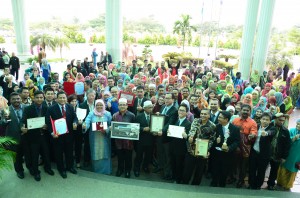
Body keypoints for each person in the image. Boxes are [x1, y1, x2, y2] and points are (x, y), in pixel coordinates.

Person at [21, 91, 55, 181]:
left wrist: (47, 126)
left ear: (43, 98)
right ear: (34, 98)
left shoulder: (46, 108)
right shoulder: (28, 109)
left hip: (44, 136)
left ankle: (48, 168)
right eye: (37, 97)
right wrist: (22, 127)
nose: (39, 99)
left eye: (41, 97)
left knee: (46, 153)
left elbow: (49, 121)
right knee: (34, 156)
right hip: (33, 137)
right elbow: (23, 120)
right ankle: (36, 172)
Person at [46, 91, 78, 179]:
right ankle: (61, 169)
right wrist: (52, 133)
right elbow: (48, 122)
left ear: (66, 98)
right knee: (59, 153)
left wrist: (75, 122)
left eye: (64, 97)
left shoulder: (70, 107)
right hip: (57, 135)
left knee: (69, 152)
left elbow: (75, 117)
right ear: (56, 99)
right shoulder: (51, 109)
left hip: (69, 135)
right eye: (60, 97)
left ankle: (70, 167)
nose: (62, 99)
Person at [182, 108, 216, 185]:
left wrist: (207, 150)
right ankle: (184, 185)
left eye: (205, 114)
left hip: (202, 152)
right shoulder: (196, 121)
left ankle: (195, 186)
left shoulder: (212, 126)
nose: (203, 115)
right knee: (187, 170)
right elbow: (192, 130)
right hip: (191, 149)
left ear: (209, 115)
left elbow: (212, 140)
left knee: (199, 171)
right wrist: (190, 137)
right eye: (202, 114)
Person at [0, 92, 29, 179]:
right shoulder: (5, 110)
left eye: (18, 98)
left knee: (29, 154)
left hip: (27, 135)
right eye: (14, 99)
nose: (16, 100)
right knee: (17, 156)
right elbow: (2, 124)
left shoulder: (26, 107)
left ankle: (30, 167)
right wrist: (5, 120)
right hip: (14, 137)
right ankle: (19, 170)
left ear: (20, 99)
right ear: (10, 100)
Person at [210, 111, 240, 187]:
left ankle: (222, 186)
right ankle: (213, 184)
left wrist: (229, 148)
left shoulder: (235, 129)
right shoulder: (216, 127)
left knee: (224, 172)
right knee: (214, 171)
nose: (218, 118)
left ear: (226, 119)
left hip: (227, 155)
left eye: (220, 117)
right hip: (216, 154)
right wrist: (216, 141)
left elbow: (237, 141)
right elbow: (211, 140)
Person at [83, 99, 112, 174]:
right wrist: (84, 126)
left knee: (105, 152)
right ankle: (97, 171)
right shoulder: (91, 113)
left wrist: (107, 130)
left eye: (101, 105)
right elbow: (87, 122)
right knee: (95, 152)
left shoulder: (108, 114)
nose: (99, 106)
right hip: (94, 137)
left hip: (104, 137)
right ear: (95, 106)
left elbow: (111, 125)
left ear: (104, 106)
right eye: (97, 105)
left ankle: (106, 171)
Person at [153, 93, 178, 180]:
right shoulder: (163, 107)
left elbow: (170, 123)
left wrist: (162, 131)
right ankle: (160, 166)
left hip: (167, 137)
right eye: (165, 98)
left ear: (173, 100)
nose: (166, 100)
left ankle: (167, 173)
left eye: (168, 98)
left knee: (167, 156)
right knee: (159, 152)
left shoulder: (174, 110)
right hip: (159, 135)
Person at [232, 104, 258, 188]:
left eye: (247, 110)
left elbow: (254, 131)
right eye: (244, 110)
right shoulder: (235, 120)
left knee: (243, 165)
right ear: (240, 110)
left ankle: (241, 180)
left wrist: (252, 135)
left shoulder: (252, 122)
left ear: (250, 112)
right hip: (235, 144)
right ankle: (232, 177)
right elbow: (231, 130)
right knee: (234, 163)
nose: (245, 112)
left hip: (246, 146)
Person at [248, 112, 276, 190]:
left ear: (270, 121)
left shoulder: (272, 128)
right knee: (252, 169)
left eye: (267, 120)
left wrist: (266, 133)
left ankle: (258, 185)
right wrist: (250, 136)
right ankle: (251, 184)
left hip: (264, 154)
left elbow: (272, 133)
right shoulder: (256, 126)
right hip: (254, 151)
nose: (265, 121)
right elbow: (251, 133)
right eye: (263, 119)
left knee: (261, 170)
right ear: (260, 119)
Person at [267, 113, 291, 190]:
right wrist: (275, 115)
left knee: (274, 170)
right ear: (276, 119)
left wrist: (284, 157)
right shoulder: (270, 125)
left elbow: (287, 145)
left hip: (277, 154)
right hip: (267, 153)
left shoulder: (285, 131)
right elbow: (269, 117)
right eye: (280, 120)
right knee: (262, 168)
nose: (282, 122)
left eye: (283, 121)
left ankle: (271, 184)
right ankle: (258, 182)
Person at [113, 98, 136, 178]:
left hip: (128, 142)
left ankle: (127, 171)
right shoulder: (115, 115)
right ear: (118, 106)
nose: (122, 106)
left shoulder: (132, 115)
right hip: (118, 141)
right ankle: (120, 169)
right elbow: (113, 127)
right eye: (120, 105)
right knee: (120, 157)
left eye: (124, 105)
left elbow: (135, 128)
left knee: (128, 157)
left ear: (127, 106)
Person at [169, 103, 191, 184]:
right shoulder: (176, 120)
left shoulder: (188, 123)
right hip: (173, 146)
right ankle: (174, 176)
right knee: (173, 163)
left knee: (179, 164)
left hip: (181, 148)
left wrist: (185, 135)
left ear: (186, 113)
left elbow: (188, 136)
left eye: (183, 110)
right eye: (179, 110)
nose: (180, 112)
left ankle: (178, 179)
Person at [277, 119, 300, 190]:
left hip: (297, 156)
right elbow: (286, 141)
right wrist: (293, 138)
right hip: (288, 153)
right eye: (297, 124)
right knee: (284, 166)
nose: (298, 126)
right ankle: (280, 182)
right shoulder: (291, 130)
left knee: (293, 169)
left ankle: (288, 185)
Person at [133, 101, 155, 177]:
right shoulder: (139, 116)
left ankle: (145, 166)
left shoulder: (154, 116)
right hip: (141, 140)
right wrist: (143, 129)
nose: (151, 109)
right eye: (149, 107)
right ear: (144, 108)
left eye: (152, 107)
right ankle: (136, 168)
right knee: (139, 155)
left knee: (148, 156)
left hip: (151, 140)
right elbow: (134, 127)